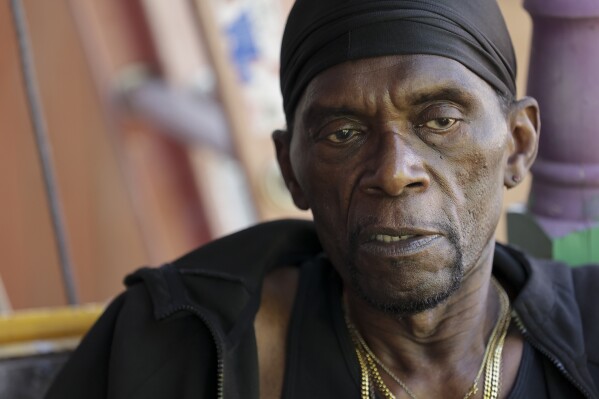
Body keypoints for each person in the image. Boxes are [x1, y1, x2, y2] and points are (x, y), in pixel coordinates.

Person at [46, 0, 599, 398]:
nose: (394, 172)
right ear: (293, 170)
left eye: (441, 120)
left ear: (518, 144)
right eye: (343, 133)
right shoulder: (181, 342)